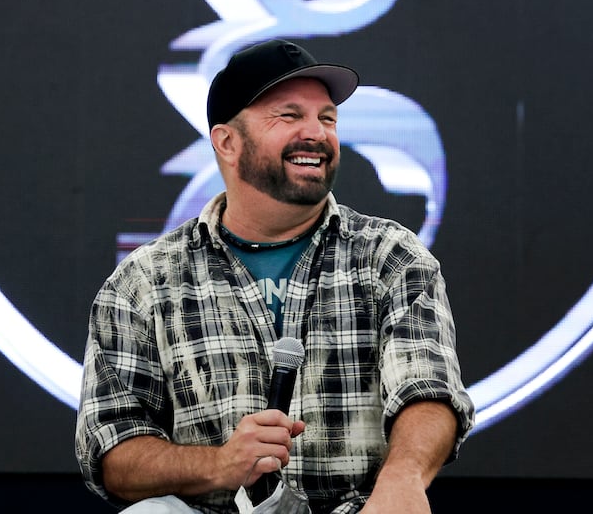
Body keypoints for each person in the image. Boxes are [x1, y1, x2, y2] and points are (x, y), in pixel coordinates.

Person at [74, 39, 475, 513]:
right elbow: (114, 452)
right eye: (289, 116)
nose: (316, 133)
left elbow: (428, 390)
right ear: (227, 142)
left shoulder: (390, 255)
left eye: (327, 118)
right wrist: (220, 464)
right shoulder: (144, 282)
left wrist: (403, 478)